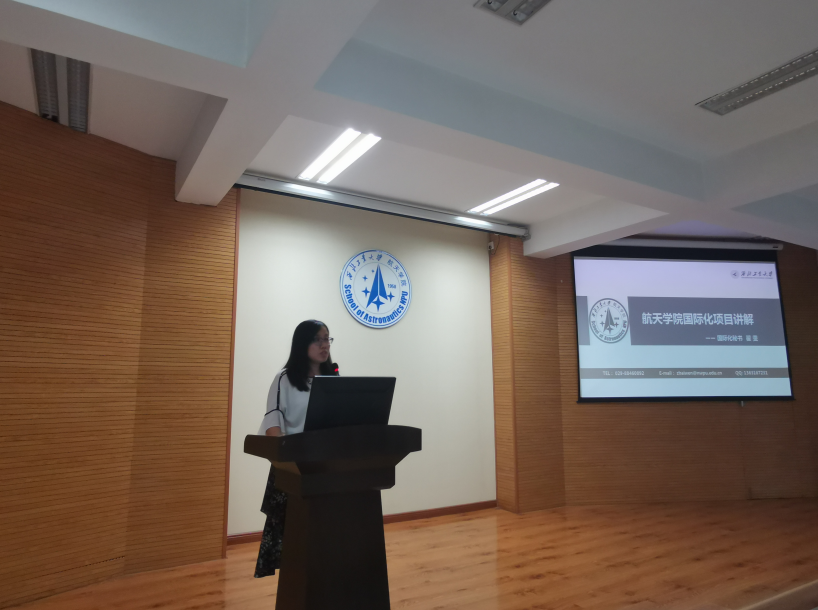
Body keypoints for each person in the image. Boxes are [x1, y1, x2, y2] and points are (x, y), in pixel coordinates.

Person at [254, 320, 337, 578]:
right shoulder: (284, 378)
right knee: (294, 544)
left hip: (327, 467)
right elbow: (273, 424)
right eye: (317, 339)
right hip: (294, 468)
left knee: (326, 542)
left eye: (327, 339)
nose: (324, 345)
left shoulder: (333, 378)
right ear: (303, 344)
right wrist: (286, 459)